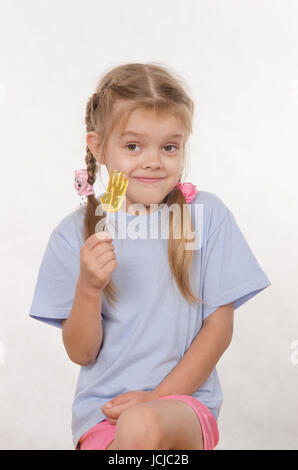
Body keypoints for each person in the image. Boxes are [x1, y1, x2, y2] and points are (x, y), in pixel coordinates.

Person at [29, 62, 271, 451]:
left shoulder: (206, 217)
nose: (153, 161)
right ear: (98, 147)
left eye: (169, 147)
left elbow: (219, 330)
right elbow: (81, 351)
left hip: (183, 406)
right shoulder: (73, 235)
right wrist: (89, 289)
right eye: (132, 146)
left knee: (141, 427)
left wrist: (155, 398)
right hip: (102, 415)